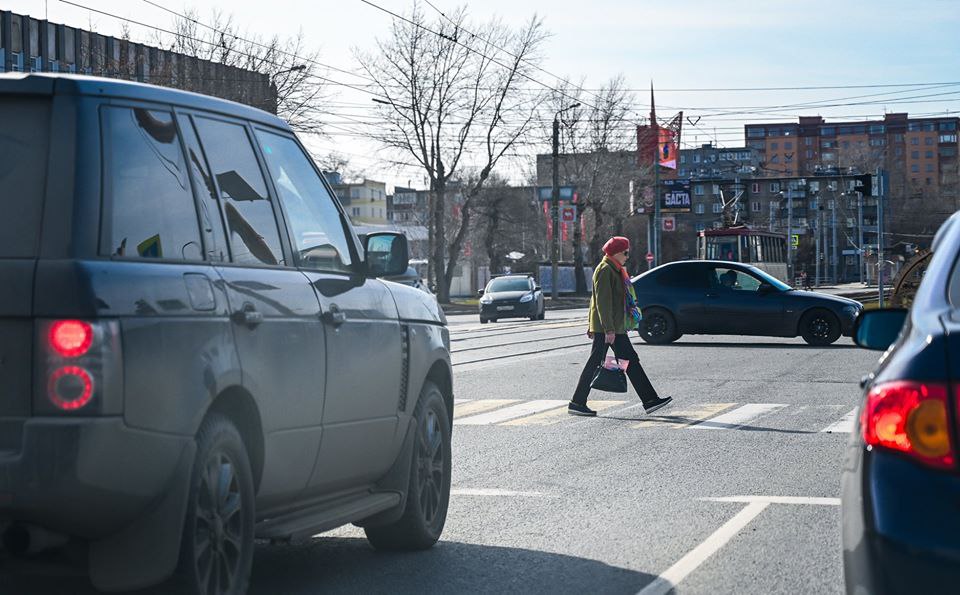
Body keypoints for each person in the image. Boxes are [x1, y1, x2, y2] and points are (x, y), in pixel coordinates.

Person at [568, 236, 673, 417]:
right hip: (608, 328)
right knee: (595, 363)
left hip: (614, 327)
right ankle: (577, 403)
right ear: (616, 253)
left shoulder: (614, 269)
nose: (627, 256)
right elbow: (601, 302)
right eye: (625, 253)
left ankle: (650, 400)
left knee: (630, 360)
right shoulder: (605, 270)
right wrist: (607, 328)